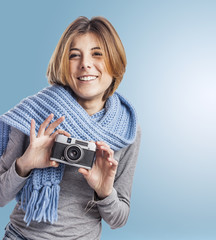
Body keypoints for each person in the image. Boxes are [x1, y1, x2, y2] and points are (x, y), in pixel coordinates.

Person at [0, 16, 141, 240]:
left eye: (97, 54)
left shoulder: (125, 130)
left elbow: (119, 218)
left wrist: (104, 192)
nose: (85, 64)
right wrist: (25, 164)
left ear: (115, 62)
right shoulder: (34, 115)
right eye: (74, 55)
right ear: (63, 63)